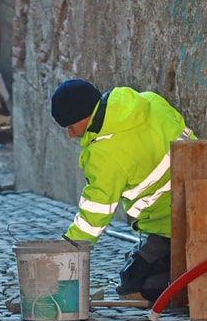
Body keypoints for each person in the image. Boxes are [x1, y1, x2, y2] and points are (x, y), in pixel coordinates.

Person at [50, 78, 197, 301]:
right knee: (138, 266)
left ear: (84, 116)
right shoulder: (150, 101)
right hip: (202, 197)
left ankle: (180, 278)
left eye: (70, 127)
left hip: (170, 223)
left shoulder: (103, 152)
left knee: (132, 287)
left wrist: (67, 250)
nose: (70, 134)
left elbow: (94, 215)